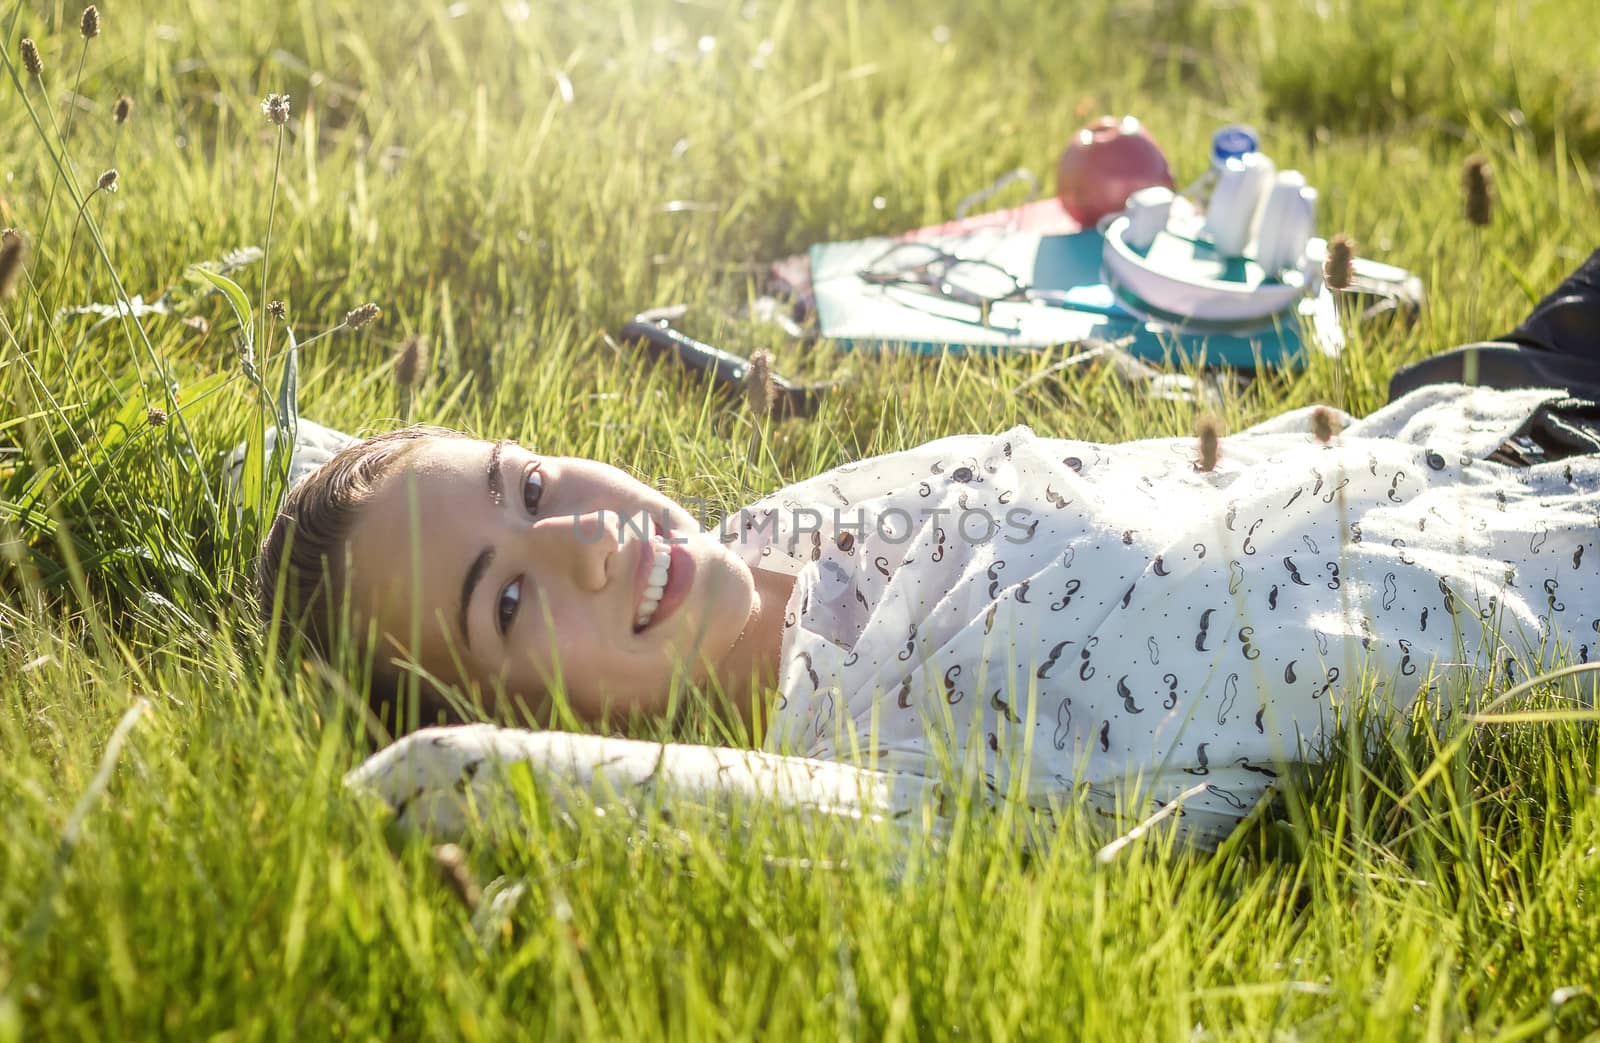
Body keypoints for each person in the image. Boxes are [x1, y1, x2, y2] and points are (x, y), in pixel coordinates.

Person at [266, 249, 1600, 847]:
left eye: (531, 481)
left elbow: (294, 455)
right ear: (514, 710)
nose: (581, 539)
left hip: (1478, 403)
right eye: (505, 598)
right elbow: (434, 782)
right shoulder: (880, 774)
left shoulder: (768, 536)